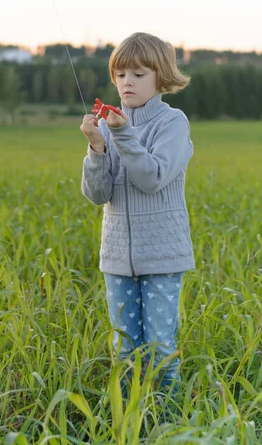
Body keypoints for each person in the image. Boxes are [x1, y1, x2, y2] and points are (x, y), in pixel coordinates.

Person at [80, 32, 195, 412]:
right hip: (117, 257)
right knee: (125, 347)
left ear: (161, 77)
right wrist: (97, 148)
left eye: (138, 74)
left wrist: (121, 134)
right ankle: (130, 418)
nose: (126, 82)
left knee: (160, 346)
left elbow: (151, 177)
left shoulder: (172, 124)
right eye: (120, 74)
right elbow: (98, 194)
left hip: (162, 256)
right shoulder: (113, 128)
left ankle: (168, 421)